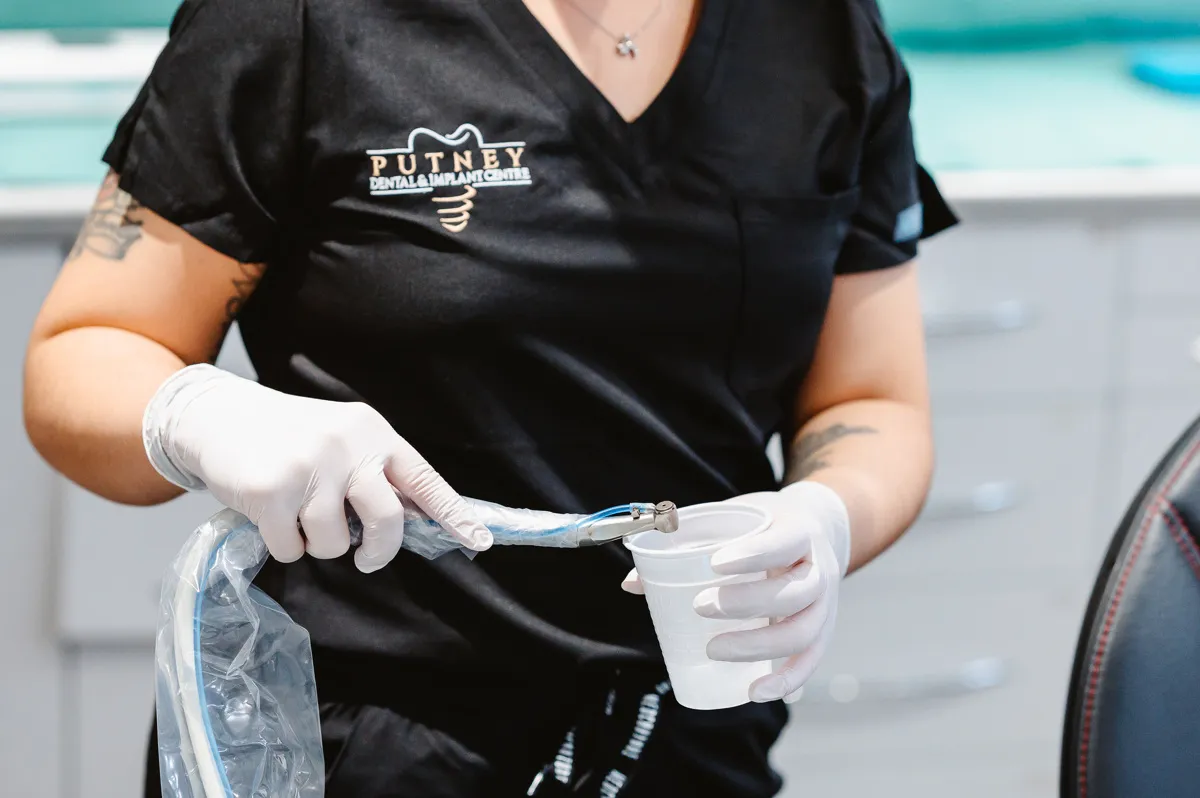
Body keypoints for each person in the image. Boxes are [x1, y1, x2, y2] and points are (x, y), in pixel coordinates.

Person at [23, 0, 956, 795]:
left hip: (682, 732)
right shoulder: (302, 20)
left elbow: (871, 402)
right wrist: (207, 416)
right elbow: (83, 353)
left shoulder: (824, 33)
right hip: (354, 739)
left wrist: (828, 516)